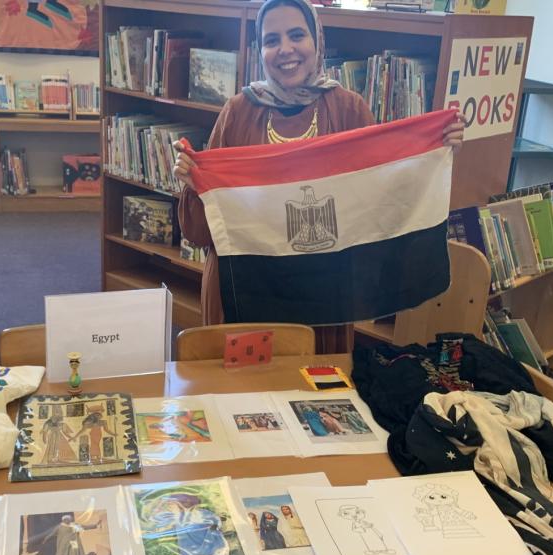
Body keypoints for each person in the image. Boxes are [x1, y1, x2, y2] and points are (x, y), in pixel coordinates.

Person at [174, 0, 464, 353]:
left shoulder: (347, 109)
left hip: (324, 294)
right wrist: (194, 185)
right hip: (247, 291)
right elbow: (201, 232)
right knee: (241, 397)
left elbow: (381, 199)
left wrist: (433, 148)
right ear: (259, 49)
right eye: (271, 40)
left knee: (317, 394)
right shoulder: (238, 112)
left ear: (317, 41)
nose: (285, 49)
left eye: (297, 35)